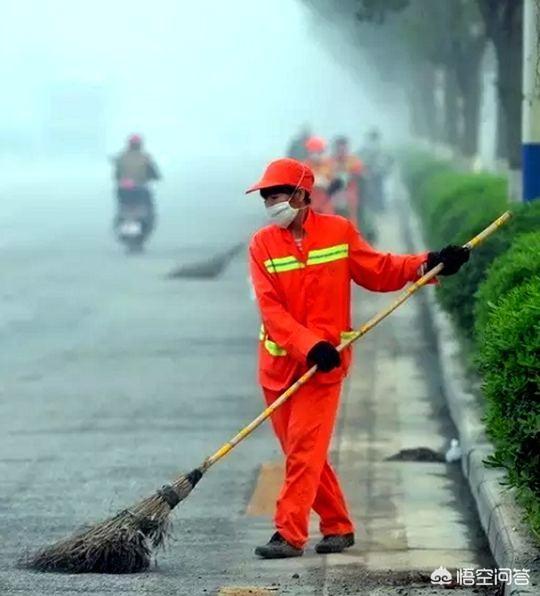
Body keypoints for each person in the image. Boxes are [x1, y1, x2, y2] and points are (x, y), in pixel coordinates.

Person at [246, 158, 469, 559]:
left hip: (324, 368)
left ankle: (289, 533)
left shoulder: (337, 232)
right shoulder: (261, 244)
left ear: (301, 194)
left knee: (302, 450)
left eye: (276, 195)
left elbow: (379, 270)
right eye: (266, 197)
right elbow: (271, 309)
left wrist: (428, 261)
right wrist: (305, 343)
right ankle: (339, 526)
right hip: (278, 368)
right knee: (305, 455)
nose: (270, 203)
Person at [113, 134, 160, 234]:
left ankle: (121, 222)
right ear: (140, 145)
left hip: (123, 190)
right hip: (140, 189)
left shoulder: (121, 157)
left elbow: (116, 176)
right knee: (150, 210)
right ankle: (143, 224)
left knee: (121, 207)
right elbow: (154, 174)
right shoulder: (146, 157)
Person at [328, 136, 364, 226]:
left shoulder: (353, 160)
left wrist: (349, 175)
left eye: (343, 148)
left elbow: (360, 174)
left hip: (350, 195)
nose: (341, 150)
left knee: (351, 219)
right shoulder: (329, 162)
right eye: (339, 148)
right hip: (332, 196)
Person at [359, 128, 391, 212]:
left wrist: (382, 170)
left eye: (375, 137)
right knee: (369, 192)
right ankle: (372, 207)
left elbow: (386, 162)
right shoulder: (364, 150)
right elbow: (361, 161)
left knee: (378, 191)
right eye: (372, 137)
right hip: (368, 175)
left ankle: (379, 206)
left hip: (378, 174)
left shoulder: (381, 150)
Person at [303, 136, 333, 215]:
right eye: (314, 152)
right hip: (309, 204)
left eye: (320, 152)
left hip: (325, 204)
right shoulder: (304, 166)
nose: (317, 155)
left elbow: (331, 182)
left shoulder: (328, 165)